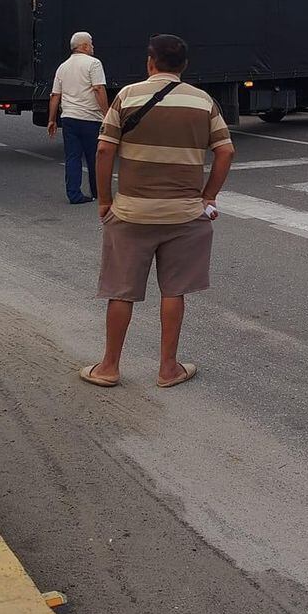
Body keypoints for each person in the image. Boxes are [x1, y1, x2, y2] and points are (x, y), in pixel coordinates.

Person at [80, 34, 235, 389]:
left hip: (132, 212)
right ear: (184, 66)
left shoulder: (127, 96)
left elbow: (104, 152)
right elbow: (226, 152)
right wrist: (208, 196)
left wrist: (105, 200)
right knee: (173, 291)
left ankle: (108, 367)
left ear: (150, 62)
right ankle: (168, 369)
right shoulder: (202, 102)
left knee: (121, 291)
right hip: (184, 215)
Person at [47, 31, 108, 204]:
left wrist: (52, 119)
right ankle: (97, 192)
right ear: (85, 46)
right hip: (90, 118)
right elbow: (98, 89)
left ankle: (74, 194)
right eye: (91, 44)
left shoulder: (63, 66)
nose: (93, 47)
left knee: (72, 157)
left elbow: (55, 96)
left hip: (69, 119)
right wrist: (107, 114)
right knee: (93, 157)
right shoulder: (94, 64)